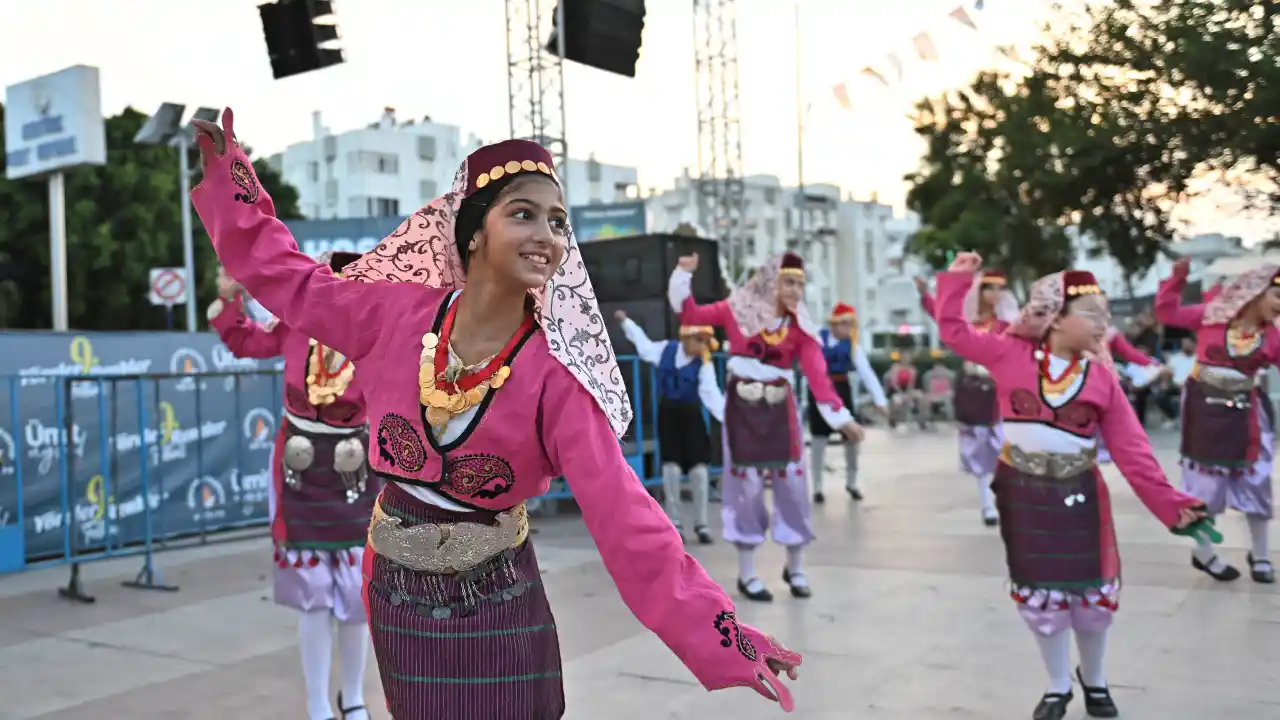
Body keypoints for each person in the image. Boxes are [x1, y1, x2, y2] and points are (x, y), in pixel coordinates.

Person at [190, 109, 801, 718]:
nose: (548, 235)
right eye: (524, 214)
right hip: (398, 595)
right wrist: (229, 176)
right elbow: (287, 277)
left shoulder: (557, 378)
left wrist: (720, 634)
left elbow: (627, 517)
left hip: (500, 599)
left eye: (559, 222)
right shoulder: (393, 316)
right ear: (474, 231)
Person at [936, 252, 1213, 720]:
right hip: (1022, 494)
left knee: (1090, 592)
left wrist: (1172, 506)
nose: (1103, 324)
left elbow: (1133, 452)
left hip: (1080, 494)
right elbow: (954, 332)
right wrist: (961, 279)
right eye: (1092, 315)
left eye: (1106, 315)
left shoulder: (1102, 378)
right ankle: (1057, 685)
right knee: (1041, 592)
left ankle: (1097, 680)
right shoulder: (1007, 351)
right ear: (1055, 319)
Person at [208, 258, 377, 720]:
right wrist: (229, 295)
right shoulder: (294, 324)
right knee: (313, 593)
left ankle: (355, 698)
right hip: (299, 470)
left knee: (355, 594)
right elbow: (244, 340)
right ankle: (318, 705)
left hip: (355, 472)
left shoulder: (373, 334)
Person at [669, 251, 864, 602]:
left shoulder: (800, 328)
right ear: (770, 282)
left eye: (800, 285)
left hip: (781, 412)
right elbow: (692, 314)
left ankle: (797, 566)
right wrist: (683, 276)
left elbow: (819, 377)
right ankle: (747, 573)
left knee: (792, 487)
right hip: (742, 410)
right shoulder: (736, 310)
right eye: (789, 282)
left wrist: (842, 417)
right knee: (746, 490)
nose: (795, 291)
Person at [1156, 259, 1280, 584]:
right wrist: (1177, 279)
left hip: (1247, 413)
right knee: (1203, 484)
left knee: (1256, 479)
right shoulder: (1211, 314)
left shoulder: (1273, 337)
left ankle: (1262, 554)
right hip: (1203, 409)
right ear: (1256, 293)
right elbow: (1168, 313)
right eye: (1277, 297)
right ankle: (1204, 552)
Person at [917, 270, 1019, 526]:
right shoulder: (968, 322)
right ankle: (987, 504)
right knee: (980, 448)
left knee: (1004, 448)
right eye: (989, 288)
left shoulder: (1007, 324)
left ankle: (1008, 500)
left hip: (1001, 391)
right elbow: (942, 317)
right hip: (973, 390)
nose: (994, 294)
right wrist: (924, 294)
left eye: (999, 289)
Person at [616, 311, 725, 544]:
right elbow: (644, 347)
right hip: (669, 416)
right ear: (687, 338)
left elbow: (712, 395)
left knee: (699, 470)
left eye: (706, 342)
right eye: (701, 340)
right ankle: (674, 521)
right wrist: (627, 322)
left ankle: (702, 523)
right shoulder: (666, 350)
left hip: (692, 416)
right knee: (671, 469)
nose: (704, 346)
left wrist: (730, 419)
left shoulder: (704, 364)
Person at [808, 302, 888, 503]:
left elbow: (866, 373)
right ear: (833, 324)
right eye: (843, 324)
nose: (846, 328)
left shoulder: (853, 347)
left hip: (841, 391)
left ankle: (852, 482)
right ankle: (817, 486)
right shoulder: (817, 337)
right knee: (818, 439)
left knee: (851, 438)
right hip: (818, 391)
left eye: (849, 324)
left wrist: (880, 400)